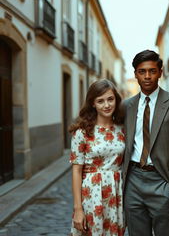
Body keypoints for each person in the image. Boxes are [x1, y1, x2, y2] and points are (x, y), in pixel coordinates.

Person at [123, 50, 169, 236]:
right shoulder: (126, 106)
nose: (147, 76)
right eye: (142, 71)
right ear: (135, 75)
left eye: (152, 71)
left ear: (160, 72)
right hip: (133, 182)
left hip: (162, 181)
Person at [69, 79, 125, 236]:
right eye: (100, 101)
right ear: (93, 103)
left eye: (110, 99)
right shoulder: (82, 132)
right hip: (91, 195)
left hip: (116, 194)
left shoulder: (123, 129)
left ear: (116, 100)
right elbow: (76, 172)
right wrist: (78, 209)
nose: (107, 105)